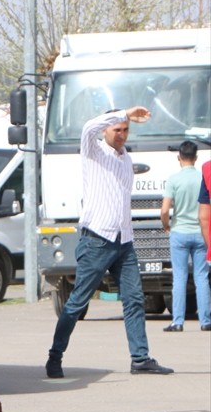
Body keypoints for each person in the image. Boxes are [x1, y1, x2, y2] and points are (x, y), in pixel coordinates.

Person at [46, 108, 173, 377]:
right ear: (105, 130)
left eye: (125, 130)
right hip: (97, 240)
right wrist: (124, 112)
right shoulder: (94, 151)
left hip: (123, 241)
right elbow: (88, 128)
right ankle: (55, 357)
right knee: (78, 301)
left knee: (135, 299)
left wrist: (128, 235)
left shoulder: (126, 159)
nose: (121, 135)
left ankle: (140, 358)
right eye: (117, 130)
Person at [160, 142, 209, 332]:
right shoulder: (202, 178)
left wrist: (166, 225)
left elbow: (165, 210)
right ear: (196, 158)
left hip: (179, 232)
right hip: (200, 232)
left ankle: (178, 321)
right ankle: (205, 321)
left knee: (179, 277)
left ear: (179, 157)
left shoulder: (174, 180)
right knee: (201, 277)